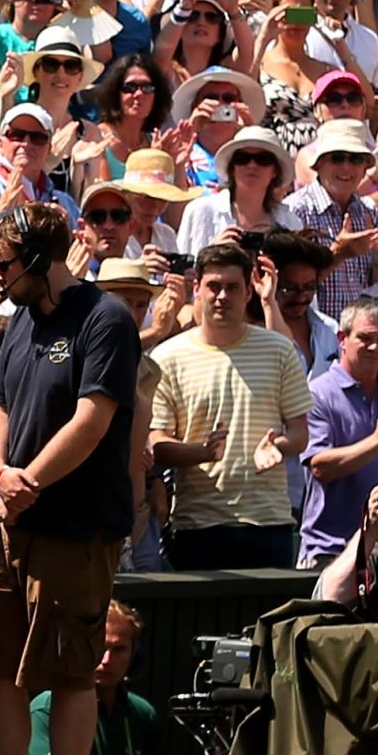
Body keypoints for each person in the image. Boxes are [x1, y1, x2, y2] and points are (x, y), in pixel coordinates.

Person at [0, 199, 140, 755]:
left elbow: (93, 420)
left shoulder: (106, 319)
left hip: (75, 525)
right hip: (3, 521)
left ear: (39, 260)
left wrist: (28, 480)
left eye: (4, 262)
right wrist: (2, 471)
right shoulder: (19, 321)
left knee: (70, 671)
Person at [144, 238, 317, 570]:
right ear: (198, 289)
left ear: (248, 292)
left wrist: (277, 447)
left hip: (268, 522)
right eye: (214, 286)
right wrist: (204, 453)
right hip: (197, 524)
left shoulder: (279, 350)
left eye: (233, 287)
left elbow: (300, 434)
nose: (222, 296)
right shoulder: (168, 357)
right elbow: (158, 444)